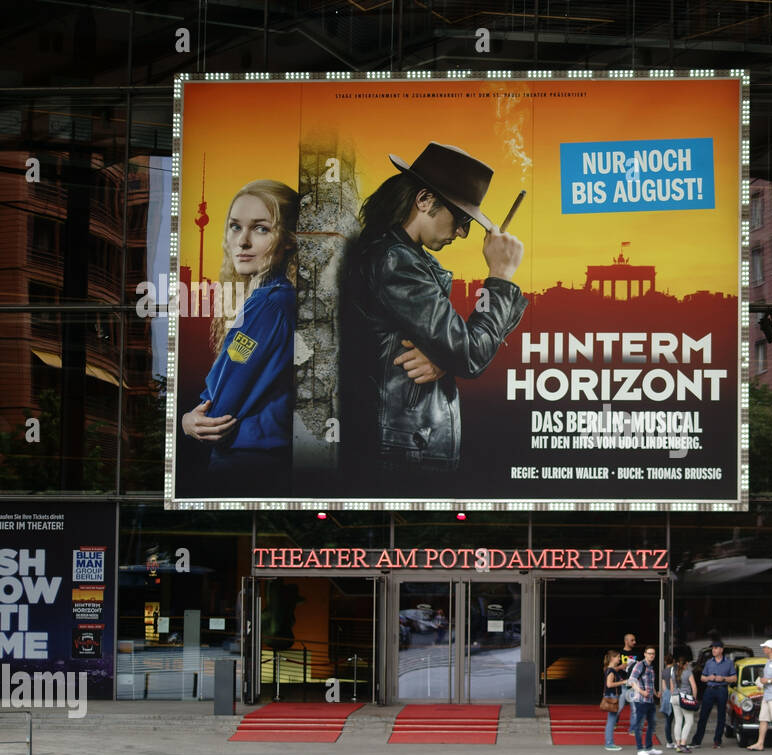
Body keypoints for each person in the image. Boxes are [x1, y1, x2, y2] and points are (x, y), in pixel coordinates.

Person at [341, 142, 526, 484]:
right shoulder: (397, 262)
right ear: (424, 200)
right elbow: (471, 352)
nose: (461, 232)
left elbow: (463, 347)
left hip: (408, 445)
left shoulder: (407, 260)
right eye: (460, 219)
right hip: (403, 451)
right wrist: (499, 278)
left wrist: (446, 356)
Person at [181, 180, 298, 497]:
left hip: (247, 466)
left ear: (288, 239)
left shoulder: (268, 304)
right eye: (235, 227)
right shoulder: (274, 300)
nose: (242, 241)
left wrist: (190, 420)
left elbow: (218, 406)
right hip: (261, 465)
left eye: (261, 229)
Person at [692, 633, 737, 749]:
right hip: (710, 690)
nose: (713, 650)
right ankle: (697, 740)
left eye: (716, 648)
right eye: (713, 648)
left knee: (721, 716)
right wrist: (709, 678)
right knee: (703, 716)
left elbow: (734, 678)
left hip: (722, 689)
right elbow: (702, 677)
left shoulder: (729, 663)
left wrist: (723, 678)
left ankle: (717, 741)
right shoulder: (709, 662)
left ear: (721, 650)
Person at [748, 639, 772, 752]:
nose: (763, 649)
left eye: (765, 647)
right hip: (767, 695)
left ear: (770, 649)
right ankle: (760, 743)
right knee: (763, 719)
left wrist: (768, 681)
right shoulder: (769, 661)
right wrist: (762, 683)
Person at [627, 646, 662, 755]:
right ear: (645, 654)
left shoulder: (651, 667)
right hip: (641, 700)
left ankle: (649, 747)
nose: (652, 655)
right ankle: (640, 749)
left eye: (653, 653)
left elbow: (650, 684)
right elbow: (631, 680)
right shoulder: (640, 665)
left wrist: (656, 693)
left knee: (652, 724)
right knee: (639, 725)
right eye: (649, 653)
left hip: (650, 700)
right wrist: (641, 691)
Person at [667, 650, 699, 753]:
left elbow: (671, 688)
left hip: (675, 697)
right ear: (686, 664)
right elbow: (694, 687)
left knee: (678, 721)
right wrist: (694, 698)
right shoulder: (688, 672)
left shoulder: (673, 673)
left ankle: (677, 744)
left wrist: (674, 696)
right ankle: (683, 744)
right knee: (689, 721)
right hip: (684, 697)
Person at [613, 632, 640, 731]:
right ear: (626, 641)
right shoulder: (619, 654)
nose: (634, 642)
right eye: (632, 640)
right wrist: (620, 667)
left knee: (635, 709)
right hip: (622, 684)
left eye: (634, 640)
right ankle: (614, 721)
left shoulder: (637, 654)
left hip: (633, 684)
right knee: (619, 708)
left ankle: (632, 729)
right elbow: (611, 669)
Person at [601, 650, 625, 752]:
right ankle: (609, 743)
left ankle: (609, 742)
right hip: (613, 696)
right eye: (618, 657)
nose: (619, 659)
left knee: (611, 720)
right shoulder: (611, 670)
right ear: (612, 658)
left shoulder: (609, 669)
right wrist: (623, 682)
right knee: (611, 720)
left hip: (611, 695)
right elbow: (609, 684)